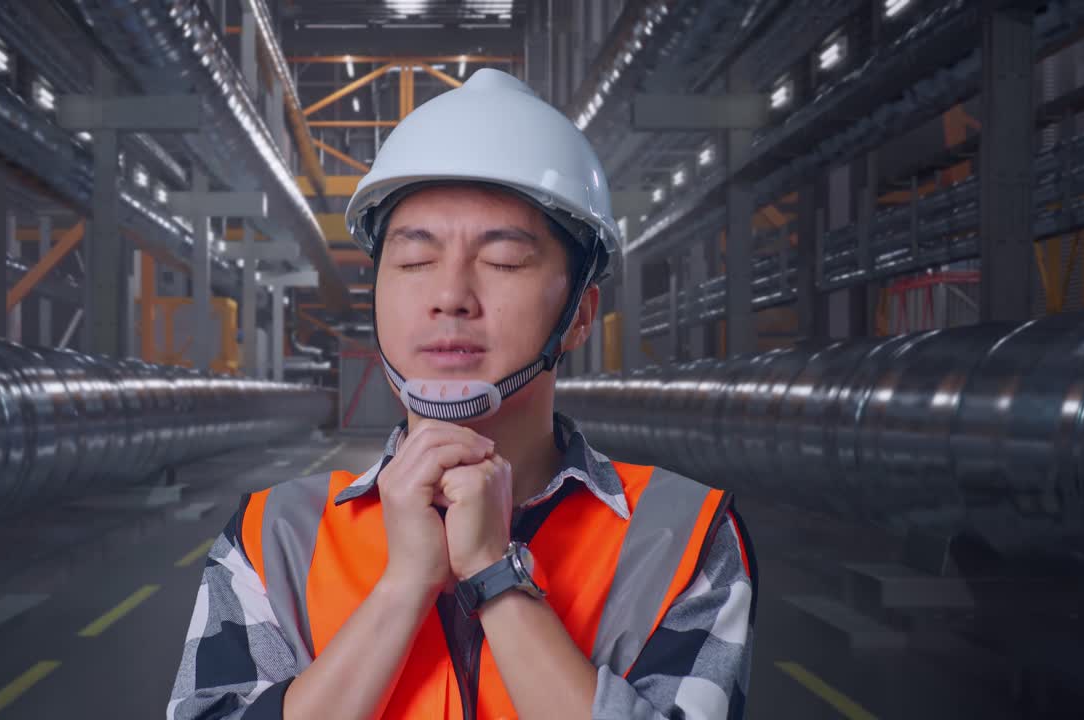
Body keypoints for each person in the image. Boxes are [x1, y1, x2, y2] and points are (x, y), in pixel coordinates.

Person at [167, 68, 757, 720]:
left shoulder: (679, 534)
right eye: (414, 262)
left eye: (503, 261)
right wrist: (403, 589)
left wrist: (494, 575)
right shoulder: (274, 535)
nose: (450, 296)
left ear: (581, 314)